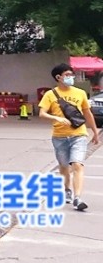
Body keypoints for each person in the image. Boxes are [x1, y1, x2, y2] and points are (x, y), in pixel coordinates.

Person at [38, 63, 101, 211]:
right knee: (64, 167)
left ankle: (77, 198)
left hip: (78, 135)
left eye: (71, 75)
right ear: (58, 77)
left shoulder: (80, 93)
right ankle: (67, 189)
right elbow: (42, 113)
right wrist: (56, 118)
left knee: (77, 164)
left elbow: (87, 113)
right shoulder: (50, 94)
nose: (71, 77)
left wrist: (95, 131)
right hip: (59, 137)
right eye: (67, 75)